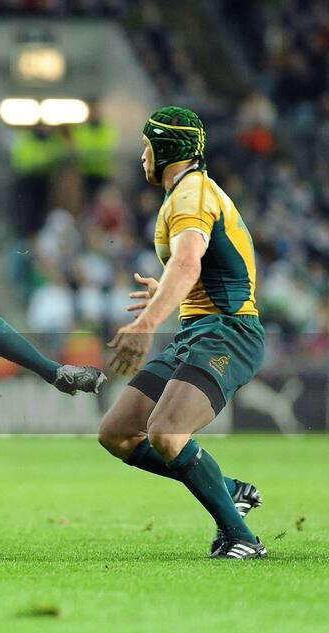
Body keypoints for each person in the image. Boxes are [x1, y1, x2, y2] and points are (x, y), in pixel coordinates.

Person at [99, 107, 266, 559]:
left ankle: (242, 538)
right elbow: (203, 269)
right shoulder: (187, 192)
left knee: (166, 433)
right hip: (199, 328)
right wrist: (169, 294)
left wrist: (146, 323)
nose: (142, 156)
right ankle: (229, 489)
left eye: (147, 146)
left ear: (166, 149)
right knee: (117, 432)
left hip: (228, 332)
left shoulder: (191, 195)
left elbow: (189, 262)